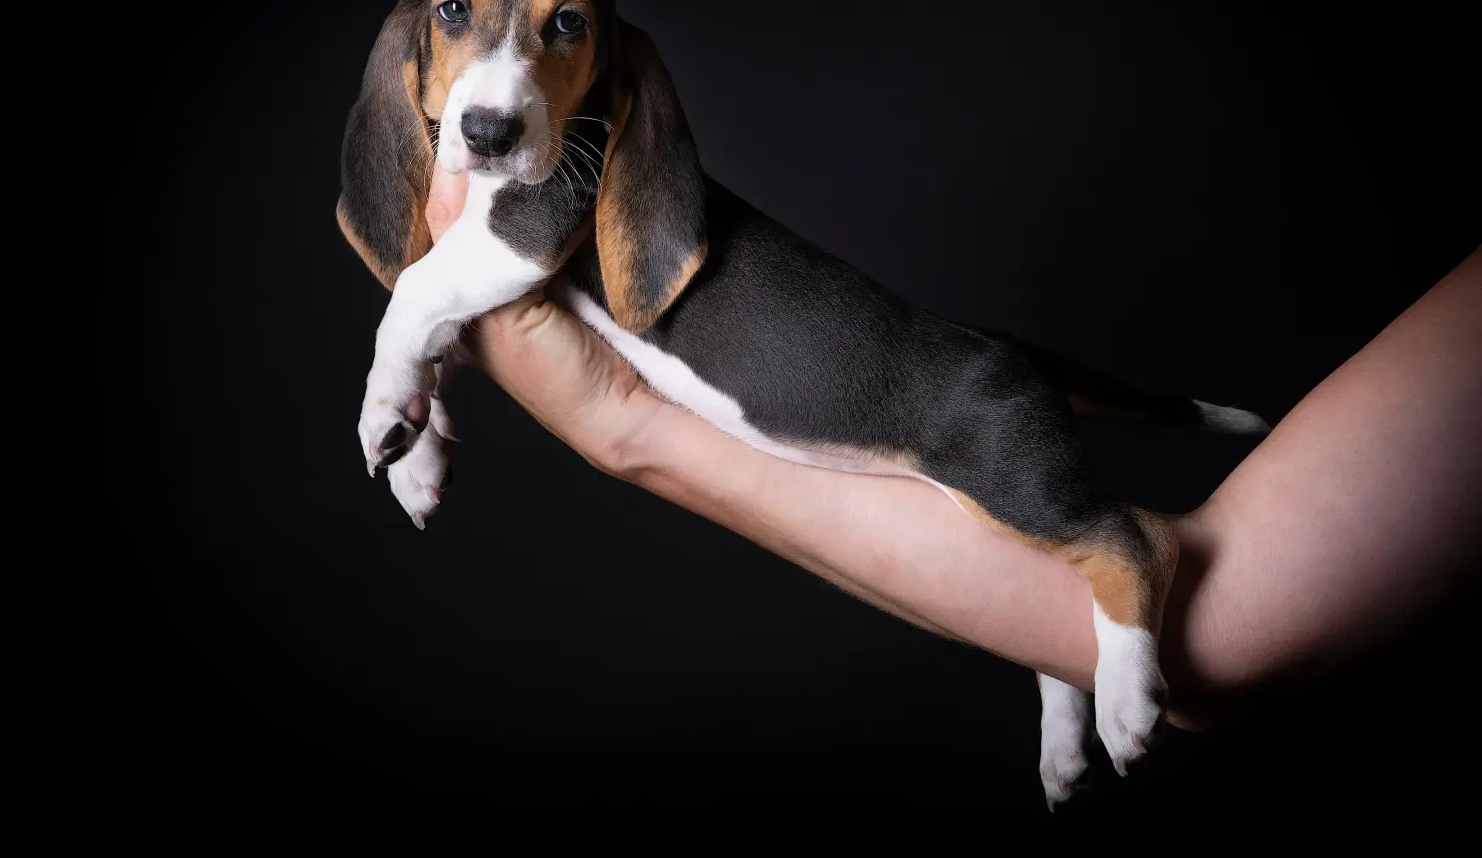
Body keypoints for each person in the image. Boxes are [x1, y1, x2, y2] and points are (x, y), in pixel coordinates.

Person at [423, 163, 1481, 730]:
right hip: (947, 395)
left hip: (963, 416)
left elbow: (1232, 630)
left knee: (1050, 508)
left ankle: (1112, 574)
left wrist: (632, 424)